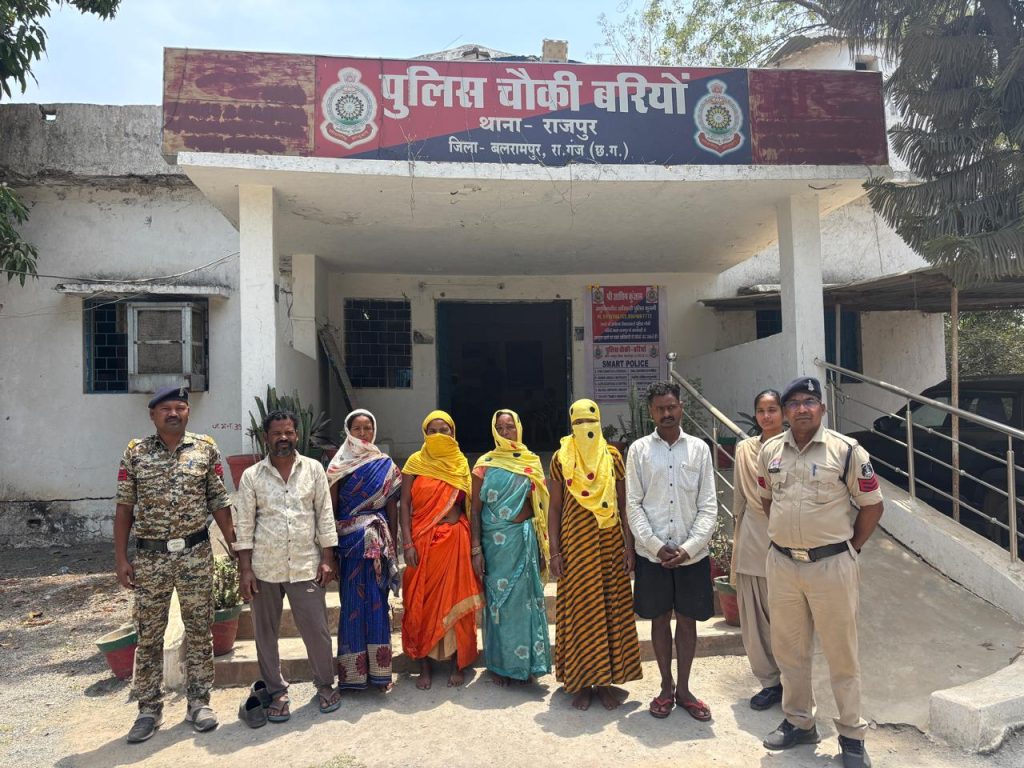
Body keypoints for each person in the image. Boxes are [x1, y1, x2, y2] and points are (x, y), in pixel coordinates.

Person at [758, 377, 884, 768]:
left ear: (822, 409)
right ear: (785, 411)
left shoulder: (847, 451)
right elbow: (767, 500)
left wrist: (849, 548)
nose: (801, 408)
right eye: (794, 402)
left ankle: (851, 736)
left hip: (832, 566)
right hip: (783, 565)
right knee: (789, 651)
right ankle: (799, 722)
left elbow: (872, 506)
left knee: (841, 654)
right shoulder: (770, 451)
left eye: (809, 401)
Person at [114, 385, 235, 743]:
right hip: (151, 558)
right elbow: (124, 508)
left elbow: (219, 502)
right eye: (165, 408)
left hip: (196, 554)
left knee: (199, 630)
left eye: (180, 407)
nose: (173, 414)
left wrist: (236, 550)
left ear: (187, 413)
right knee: (149, 634)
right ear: (153, 415)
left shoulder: (205, 448)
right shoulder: (136, 453)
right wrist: (121, 558)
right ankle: (148, 709)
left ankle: (199, 702)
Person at [234, 410, 340, 722]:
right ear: (265, 437)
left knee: (317, 631)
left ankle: (325, 684)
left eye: (289, 432)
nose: (283, 438)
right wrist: (245, 569)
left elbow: (324, 514)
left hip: (306, 565)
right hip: (264, 568)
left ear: (297, 434)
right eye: (277, 433)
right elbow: (244, 524)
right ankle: (277, 691)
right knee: (265, 634)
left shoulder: (314, 469)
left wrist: (328, 558)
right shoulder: (252, 476)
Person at [625, 381, 718, 721]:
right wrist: (654, 545)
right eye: (659, 409)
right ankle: (666, 687)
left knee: (688, 621)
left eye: (671, 407)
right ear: (650, 412)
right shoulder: (638, 450)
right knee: (660, 619)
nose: (666, 413)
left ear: (681, 407)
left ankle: (685, 690)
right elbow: (633, 505)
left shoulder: (699, 450)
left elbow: (709, 505)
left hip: (692, 555)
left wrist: (689, 548)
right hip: (653, 556)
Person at [549, 398, 642, 711]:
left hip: (609, 545)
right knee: (581, 612)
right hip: (575, 547)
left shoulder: (612, 456)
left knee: (609, 610)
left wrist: (629, 547)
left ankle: (604, 684)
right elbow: (555, 507)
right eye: (578, 423)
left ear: (599, 422)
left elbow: (624, 503)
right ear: (571, 424)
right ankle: (582, 683)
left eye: (590, 422)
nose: (585, 428)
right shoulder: (561, 458)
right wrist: (554, 551)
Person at [400, 410, 483, 689]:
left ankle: (457, 663)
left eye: (444, 430)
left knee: (455, 599)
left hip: (455, 542)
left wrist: (474, 544)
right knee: (420, 603)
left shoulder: (460, 463)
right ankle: (423, 665)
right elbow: (405, 505)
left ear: (453, 432)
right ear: (425, 433)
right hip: (422, 543)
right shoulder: (415, 462)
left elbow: (471, 506)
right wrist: (407, 543)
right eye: (432, 431)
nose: (438, 435)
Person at [470, 410, 551, 686]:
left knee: (526, 604)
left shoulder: (531, 461)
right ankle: (500, 666)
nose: (506, 433)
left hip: (524, 541)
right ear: (494, 431)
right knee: (499, 604)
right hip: (495, 546)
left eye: (510, 427)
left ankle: (527, 665)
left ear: (519, 428)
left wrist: (543, 546)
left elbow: (540, 506)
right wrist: (476, 549)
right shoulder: (484, 464)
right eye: (500, 428)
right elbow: (475, 509)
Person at [326, 409, 401, 691]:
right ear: (348, 431)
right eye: (357, 428)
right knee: (352, 608)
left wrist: (393, 545)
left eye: (367, 428)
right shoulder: (337, 466)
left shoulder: (385, 464)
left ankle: (381, 675)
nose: (363, 433)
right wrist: (330, 551)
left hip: (378, 547)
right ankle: (352, 677)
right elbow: (331, 510)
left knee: (378, 605)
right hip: (350, 548)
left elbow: (392, 507)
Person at [731, 389, 785, 710]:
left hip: (786, 536)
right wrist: (736, 540)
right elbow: (739, 498)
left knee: (786, 615)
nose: (767, 416)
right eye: (761, 410)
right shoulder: (744, 450)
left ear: (783, 413)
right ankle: (769, 682)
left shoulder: (794, 448)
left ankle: (794, 680)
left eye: (772, 409)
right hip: (752, 535)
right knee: (753, 615)